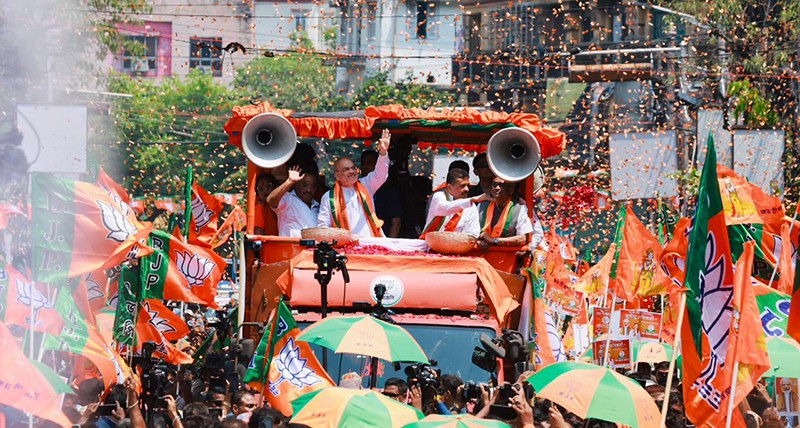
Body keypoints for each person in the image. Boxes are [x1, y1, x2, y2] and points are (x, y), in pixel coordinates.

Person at [318, 129, 391, 237]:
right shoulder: (329, 197)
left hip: (370, 243)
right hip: (345, 247)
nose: (352, 171)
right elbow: (323, 226)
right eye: (346, 169)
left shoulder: (366, 184)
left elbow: (380, 174)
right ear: (337, 176)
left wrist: (383, 152)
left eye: (353, 168)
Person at [421, 168, 490, 239]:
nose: (467, 189)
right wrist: (473, 199)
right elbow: (446, 208)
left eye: (468, 185)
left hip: (458, 247)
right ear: (450, 187)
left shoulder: (471, 206)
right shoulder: (439, 196)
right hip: (430, 247)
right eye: (462, 186)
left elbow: (473, 233)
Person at [476, 176, 540, 251]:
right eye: (495, 184)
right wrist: (478, 240)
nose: (497, 188)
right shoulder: (481, 206)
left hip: (507, 257)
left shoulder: (520, 209)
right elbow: (469, 232)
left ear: (511, 189)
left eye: (501, 185)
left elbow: (522, 239)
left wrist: (494, 241)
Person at [266, 165, 319, 237]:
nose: (308, 190)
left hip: (313, 247)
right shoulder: (288, 199)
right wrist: (289, 181)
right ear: (296, 184)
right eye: (304, 185)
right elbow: (270, 201)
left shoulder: (317, 206)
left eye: (312, 186)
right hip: (290, 247)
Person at [361, 149, 403, 237]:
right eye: (363, 163)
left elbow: (396, 222)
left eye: (369, 163)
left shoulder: (389, 190)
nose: (365, 167)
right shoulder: (355, 187)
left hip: (383, 239)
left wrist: (389, 247)